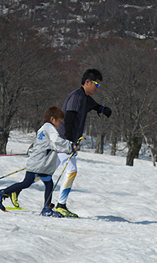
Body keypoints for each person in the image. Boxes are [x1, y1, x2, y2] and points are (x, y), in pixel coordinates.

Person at [0, 106, 76, 217]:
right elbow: (56, 141)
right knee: (29, 183)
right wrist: (71, 147)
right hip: (39, 163)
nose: (60, 124)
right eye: (59, 121)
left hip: (40, 163)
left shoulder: (43, 128)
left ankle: (46, 208)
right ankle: (1, 193)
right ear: (52, 119)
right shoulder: (49, 128)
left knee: (47, 183)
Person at [54, 68, 112, 217]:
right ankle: (60, 205)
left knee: (44, 172)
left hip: (66, 141)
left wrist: (103, 109)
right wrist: (70, 142)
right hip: (63, 140)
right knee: (71, 170)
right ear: (87, 82)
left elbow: (94, 105)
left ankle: (9, 192)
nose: (97, 88)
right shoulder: (76, 97)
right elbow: (70, 120)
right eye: (96, 84)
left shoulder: (86, 98)